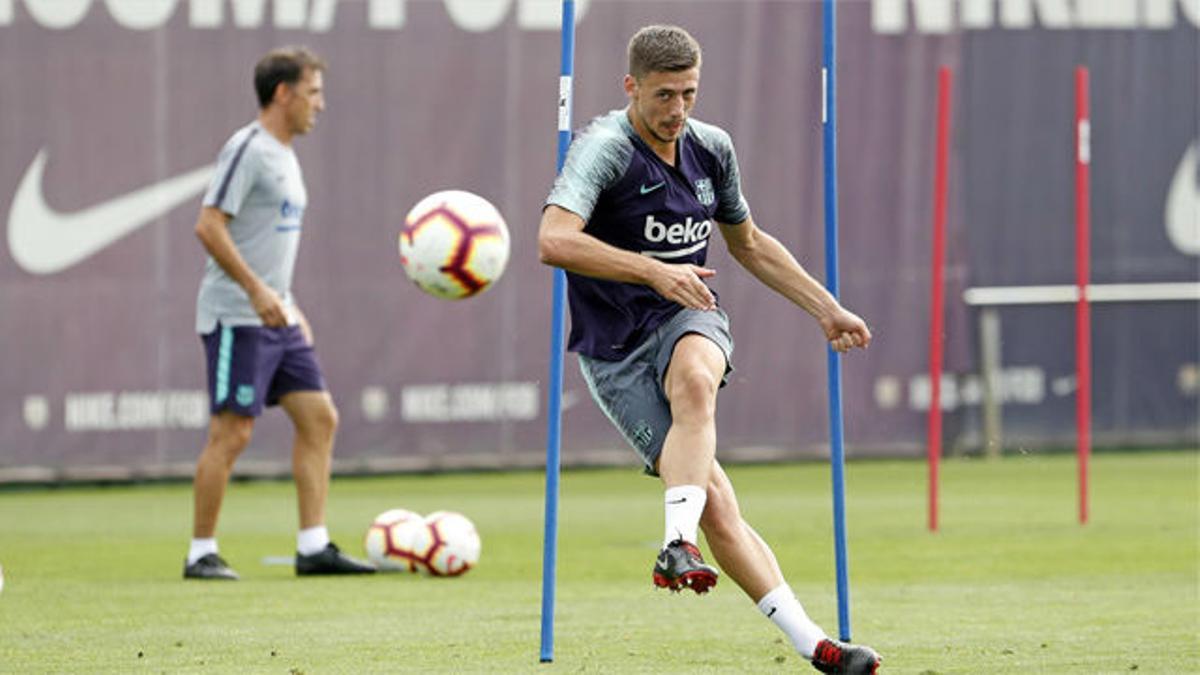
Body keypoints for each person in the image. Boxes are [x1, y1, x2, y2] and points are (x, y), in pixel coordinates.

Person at [537, 25, 881, 674]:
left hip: (687, 318)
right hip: (613, 351)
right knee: (717, 502)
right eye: (664, 95)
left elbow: (747, 242)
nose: (677, 111)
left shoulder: (711, 148)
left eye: (689, 94)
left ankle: (675, 543)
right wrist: (650, 269)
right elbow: (552, 240)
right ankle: (816, 644)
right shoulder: (604, 149)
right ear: (631, 87)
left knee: (696, 378)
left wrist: (826, 307)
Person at [184, 46, 374, 580]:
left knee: (320, 418)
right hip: (237, 316)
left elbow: (266, 243)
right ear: (283, 93)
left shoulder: (286, 154)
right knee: (233, 433)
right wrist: (257, 293)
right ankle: (200, 552)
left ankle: (313, 546)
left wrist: (287, 304)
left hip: (278, 317)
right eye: (313, 93)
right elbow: (209, 225)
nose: (321, 104)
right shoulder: (247, 149)